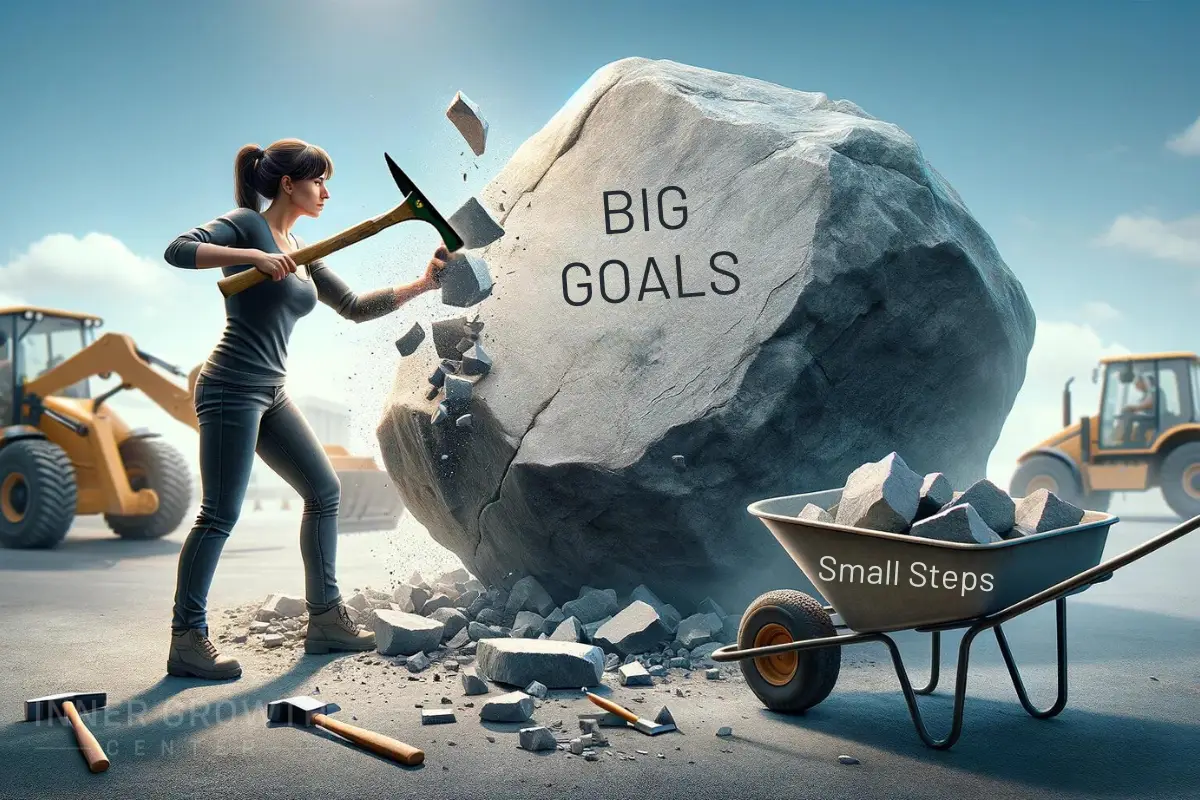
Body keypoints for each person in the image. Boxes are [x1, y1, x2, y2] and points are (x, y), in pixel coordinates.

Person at [162, 138, 448, 680]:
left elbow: (356, 308)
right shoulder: (247, 225)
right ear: (289, 184)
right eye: (318, 180)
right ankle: (186, 639)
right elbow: (178, 249)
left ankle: (325, 622)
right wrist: (253, 257)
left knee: (324, 492)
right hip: (229, 386)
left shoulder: (302, 251)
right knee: (220, 513)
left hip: (272, 391)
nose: (326, 192)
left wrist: (423, 284)